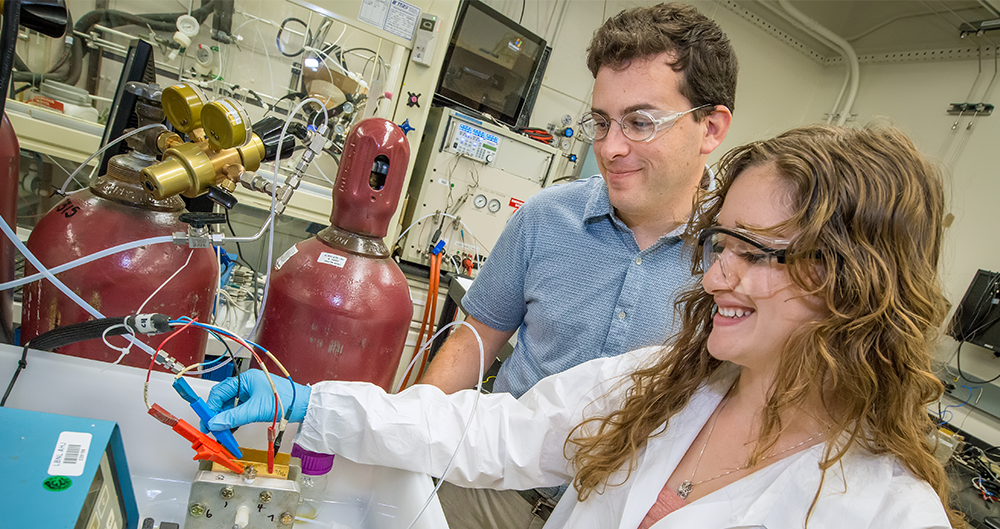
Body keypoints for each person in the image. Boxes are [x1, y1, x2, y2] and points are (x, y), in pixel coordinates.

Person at [207, 124, 963, 528]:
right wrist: (312, 406)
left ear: (853, 281)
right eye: (719, 243)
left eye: (754, 252)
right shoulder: (666, 383)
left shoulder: (887, 509)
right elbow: (497, 435)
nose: (716, 274)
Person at [418, 3, 735, 523]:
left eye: (639, 122)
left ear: (711, 128)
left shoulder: (736, 261)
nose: (610, 148)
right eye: (602, 121)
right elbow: (474, 343)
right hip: (489, 495)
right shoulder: (546, 217)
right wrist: (405, 430)